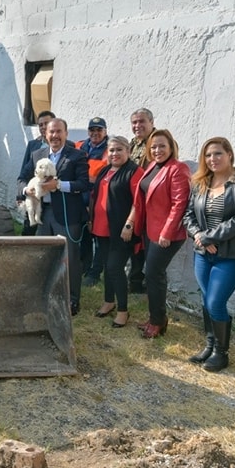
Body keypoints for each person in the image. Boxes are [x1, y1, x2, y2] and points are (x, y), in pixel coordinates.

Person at [182, 137, 235, 372]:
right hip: (203, 253)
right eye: (209, 155)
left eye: (218, 154)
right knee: (205, 300)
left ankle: (222, 354)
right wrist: (199, 235)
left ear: (230, 154)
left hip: (230, 256)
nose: (213, 159)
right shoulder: (201, 182)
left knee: (215, 302)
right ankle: (210, 345)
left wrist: (210, 237)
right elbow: (188, 215)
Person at [124, 129, 190, 339]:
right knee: (152, 274)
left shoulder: (178, 169)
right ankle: (155, 317)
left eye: (162, 146)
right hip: (149, 229)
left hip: (166, 233)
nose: (157, 150)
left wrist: (167, 232)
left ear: (171, 147)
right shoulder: (153, 165)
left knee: (154, 274)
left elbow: (180, 204)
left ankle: (158, 321)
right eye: (153, 146)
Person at [21, 118, 90, 315]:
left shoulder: (77, 156)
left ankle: (72, 300)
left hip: (67, 215)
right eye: (51, 132)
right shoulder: (37, 154)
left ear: (66, 134)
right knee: (44, 254)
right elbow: (21, 179)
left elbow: (84, 184)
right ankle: (45, 295)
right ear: (46, 134)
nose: (55, 136)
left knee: (70, 257)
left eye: (59, 131)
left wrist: (59, 185)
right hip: (44, 214)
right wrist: (27, 190)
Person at [89, 136, 143, 328]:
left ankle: (123, 310)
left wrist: (129, 224)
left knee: (114, 268)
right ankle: (108, 301)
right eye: (111, 150)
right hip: (101, 228)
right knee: (106, 266)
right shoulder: (105, 170)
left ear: (128, 151)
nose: (114, 154)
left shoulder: (134, 172)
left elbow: (139, 202)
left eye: (119, 149)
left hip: (121, 231)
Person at [77, 117, 109, 287]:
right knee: (84, 236)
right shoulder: (79, 145)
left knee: (99, 237)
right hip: (80, 199)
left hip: (99, 200)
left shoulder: (110, 150)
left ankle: (95, 273)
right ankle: (85, 266)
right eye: (92, 130)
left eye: (99, 130)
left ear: (105, 131)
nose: (95, 133)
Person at [127, 108, 155, 295]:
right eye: (134, 123)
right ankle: (134, 281)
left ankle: (143, 283)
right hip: (132, 199)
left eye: (142, 121)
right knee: (134, 241)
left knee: (146, 244)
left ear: (151, 122)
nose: (138, 126)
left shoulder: (158, 142)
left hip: (148, 201)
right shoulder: (134, 143)